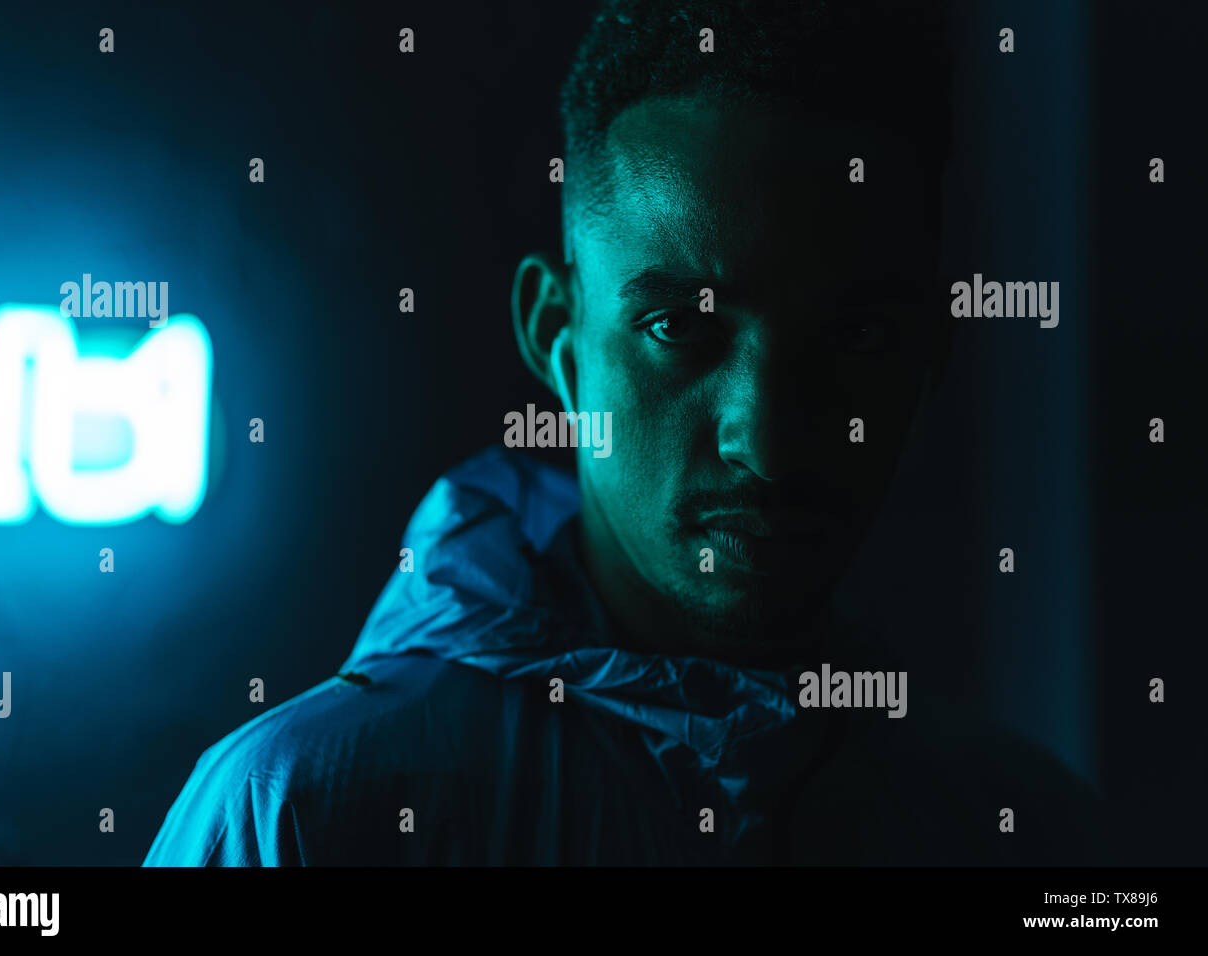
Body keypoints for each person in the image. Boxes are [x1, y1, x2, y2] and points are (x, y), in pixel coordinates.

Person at [144, 0, 1103, 866]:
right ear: (559, 344)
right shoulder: (302, 816)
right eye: (678, 327)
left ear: (929, 359)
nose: (765, 443)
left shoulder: (1024, 834)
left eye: (854, 339)